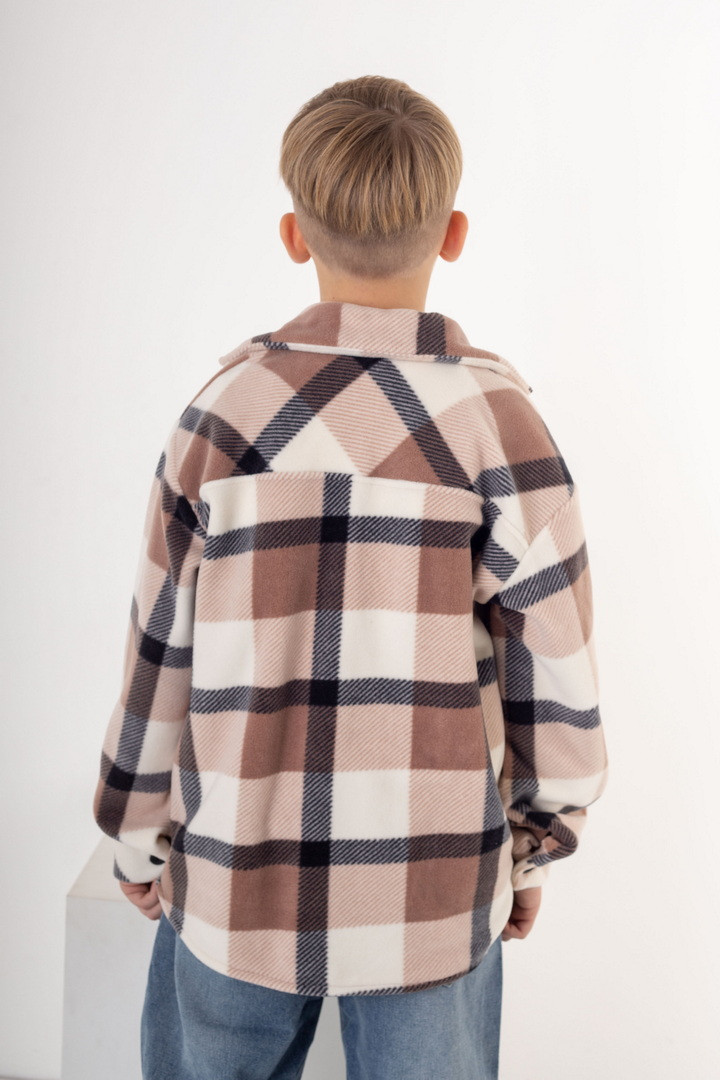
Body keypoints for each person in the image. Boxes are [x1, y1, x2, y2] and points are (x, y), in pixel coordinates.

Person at [92, 74, 609, 1080]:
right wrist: (534, 847)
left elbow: (158, 654)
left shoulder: (222, 416)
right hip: (432, 894)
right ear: (453, 234)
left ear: (294, 235)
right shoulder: (499, 427)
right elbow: (558, 669)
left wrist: (135, 836)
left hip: (233, 884)